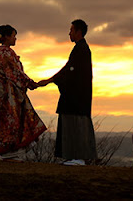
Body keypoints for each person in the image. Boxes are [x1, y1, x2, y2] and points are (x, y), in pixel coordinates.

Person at [38, 19, 97, 165]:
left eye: (71, 30)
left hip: (76, 99)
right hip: (76, 98)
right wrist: (51, 80)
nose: (69, 33)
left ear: (78, 31)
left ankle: (78, 157)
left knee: (76, 127)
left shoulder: (82, 49)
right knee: (72, 127)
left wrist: (50, 80)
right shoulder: (80, 49)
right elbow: (67, 70)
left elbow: (69, 72)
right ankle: (73, 157)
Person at [0, 24, 47, 161]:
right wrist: (30, 83)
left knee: (9, 121)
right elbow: (15, 74)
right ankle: (12, 149)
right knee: (14, 121)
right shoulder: (6, 55)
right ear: (7, 37)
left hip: (4, 96)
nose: (16, 38)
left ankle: (11, 149)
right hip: (10, 96)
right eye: (14, 35)